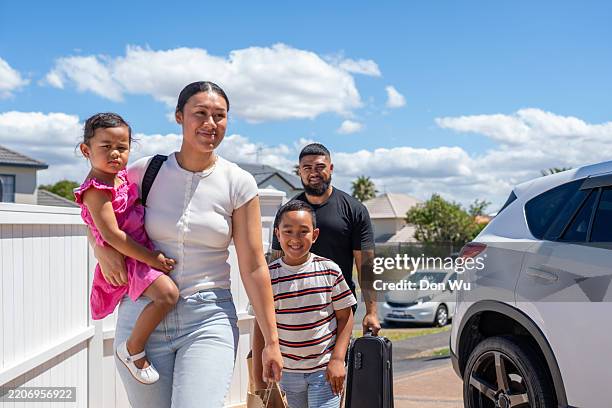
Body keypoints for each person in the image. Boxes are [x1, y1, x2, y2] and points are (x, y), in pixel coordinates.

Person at [90, 81, 283, 408]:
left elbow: (253, 266)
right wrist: (101, 249)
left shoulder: (237, 182)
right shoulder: (144, 172)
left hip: (208, 317)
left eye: (220, 116)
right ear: (179, 116)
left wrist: (272, 341)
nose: (211, 123)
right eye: (200, 113)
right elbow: (92, 207)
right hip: (142, 317)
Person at [75, 112, 179, 384]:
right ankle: (133, 349)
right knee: (168, 295)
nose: (115, 153)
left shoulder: (120, 176)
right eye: (105, 146)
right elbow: (112, 235)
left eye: (122, 147)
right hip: (130, 255)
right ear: (86, 150)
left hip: (136, 249)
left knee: (168, 294)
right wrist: (152, 258)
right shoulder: (97, 189)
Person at [253, 201, 355, 408]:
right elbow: (259, 327)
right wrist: (258, 375)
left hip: (324, 372)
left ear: (315, 235)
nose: (295, 239)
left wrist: (337, 359)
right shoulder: (267, 278)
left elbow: (346, 317)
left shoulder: (329, 271)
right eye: (288, 231)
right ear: (277, 234)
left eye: (303, 231)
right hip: (286, 373)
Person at [271, 143, 380, 335]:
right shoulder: (287, 213)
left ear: (331, 168)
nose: (314, 172)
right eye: (307, 168)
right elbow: (275, 261)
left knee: (336, 363)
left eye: (320, 167)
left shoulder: (354, 210)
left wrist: (371, 312)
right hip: (292, 307)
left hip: (337, 308)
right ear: (299, 172)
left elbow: (366, 265)